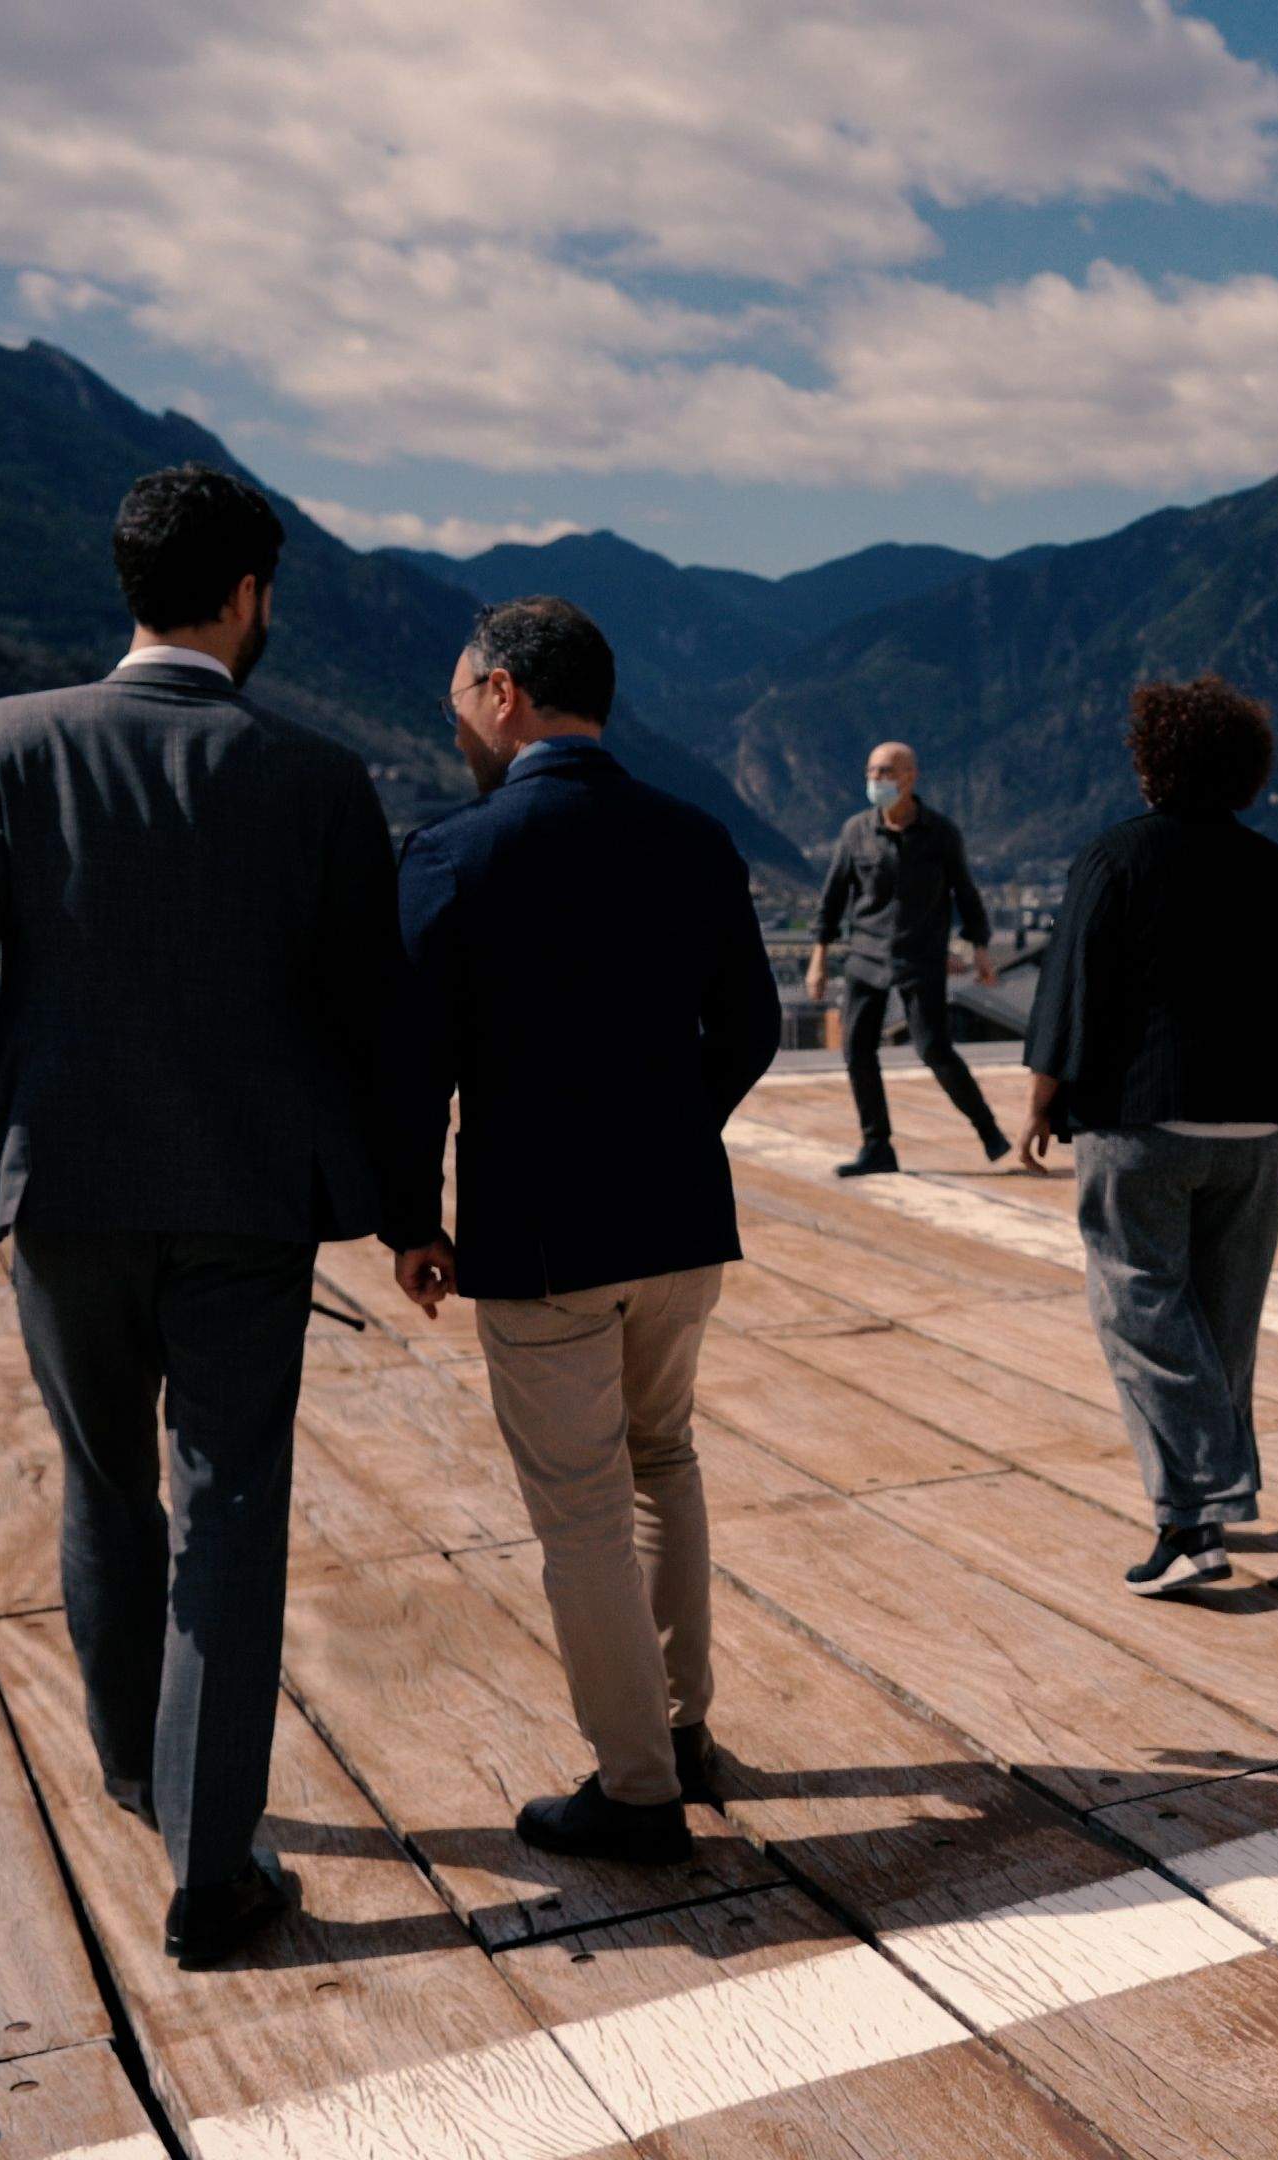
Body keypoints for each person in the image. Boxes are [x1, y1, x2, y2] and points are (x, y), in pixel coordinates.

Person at [0, 463, 396, 1970]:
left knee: (102, 1486)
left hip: (62, 1196)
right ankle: (213, 1866)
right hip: (248, 1207)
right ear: (249, 597)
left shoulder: (4, 746)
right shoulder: (320, 782)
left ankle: (134, 1767)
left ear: (129, 587)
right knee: (231, 1515)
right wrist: (409, 1208)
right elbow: (371, 1029)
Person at [381, 597, 782, 1866]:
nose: (455, 720)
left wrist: (413, 1217)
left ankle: (638, 1788)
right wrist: (667, 1125)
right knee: (663, 1459)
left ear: (504, 693)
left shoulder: (455, 853)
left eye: (459, 698)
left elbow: (412, 1065)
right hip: (679, 1220)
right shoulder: (695, 837)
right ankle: (684, 1730)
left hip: (543, 1233)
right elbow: (756, 1028)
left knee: (582, 1513)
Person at [1015, 677, 1278, 1595]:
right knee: (1222, 1323)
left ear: (1154, 760)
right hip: (1253, 1130)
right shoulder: (1276, 870)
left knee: (1138, 1310)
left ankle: (1197, 1506)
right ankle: (1200, 1515)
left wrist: (1042, 1100)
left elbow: (1070, 992)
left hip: (1140, 1123)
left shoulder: (1115, 859)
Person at [809, 740, 1007, 1176]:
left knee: (934, 1049)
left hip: (920, 956)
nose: (876, 780)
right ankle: (876, 1145)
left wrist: (980, 949)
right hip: (865, 954)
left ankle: (988, 1129)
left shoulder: (940, 833)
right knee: (856, 1050)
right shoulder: (855, 831)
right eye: (872, 772)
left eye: (886, 772)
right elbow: (834, 896)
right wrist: (818, 957)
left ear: (910, 777)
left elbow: (965, 894)